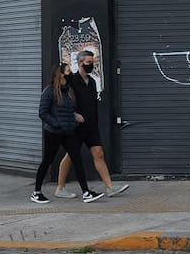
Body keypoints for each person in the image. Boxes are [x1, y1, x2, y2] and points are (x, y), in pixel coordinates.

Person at [55, 49, 130, 199]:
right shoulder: (71, 82)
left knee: (99, 154)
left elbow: (93, 104)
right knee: (70, 155)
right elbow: (61, 101)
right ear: (80, 63)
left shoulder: (93, 82)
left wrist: (95, 123)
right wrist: (73, 115)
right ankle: (60, 188)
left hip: (91, 126)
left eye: (93, 63)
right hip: (76, 127)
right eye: (88, 63)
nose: (91, 66)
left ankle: (110, 187)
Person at [33, 62, 105, 204]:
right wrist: (57, 124)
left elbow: (68, 107)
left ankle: (86, 192)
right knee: (47, 161)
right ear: (60, 74)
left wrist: (73, 117)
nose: (70, 73)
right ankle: (36, 192)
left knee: (77, 160)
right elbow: (43, 113)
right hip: (53, 132)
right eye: (67, 71)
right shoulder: (49, 91)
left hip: (69, 132)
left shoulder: (68, 91)